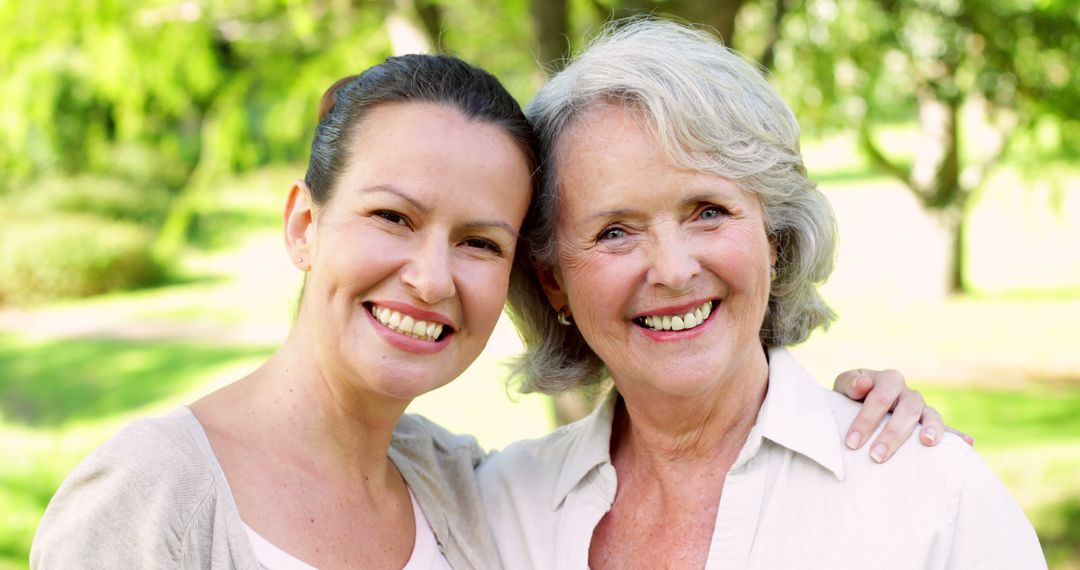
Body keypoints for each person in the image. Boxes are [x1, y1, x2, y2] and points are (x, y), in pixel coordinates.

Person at [33, 52, 954, 569]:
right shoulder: (150, 498)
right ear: (304, 224)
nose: (432, 279)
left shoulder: (461, 490)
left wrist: (853, 413)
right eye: (393, 217)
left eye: (480, 241)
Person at [478, 20, 1045, 569]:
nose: (673, 271)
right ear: (554, 281)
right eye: (615, 232)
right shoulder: (499, 508)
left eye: (708, 211)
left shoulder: (929, 493)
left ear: (773, 236)